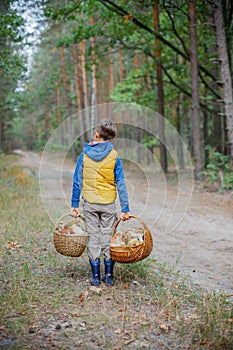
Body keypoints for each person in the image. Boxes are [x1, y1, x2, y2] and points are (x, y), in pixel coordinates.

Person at [71, 119, 130, 287]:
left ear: (97, 134)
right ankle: (109, 275)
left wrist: (75, 205)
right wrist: (125, 208)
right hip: (108, 203)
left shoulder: (84, 155)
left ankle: (96, 276)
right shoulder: (114, 156)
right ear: (110, 137)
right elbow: (121, 183)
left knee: (93, 238)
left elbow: (77, 182)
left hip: (90, 203)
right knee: (108, 237)